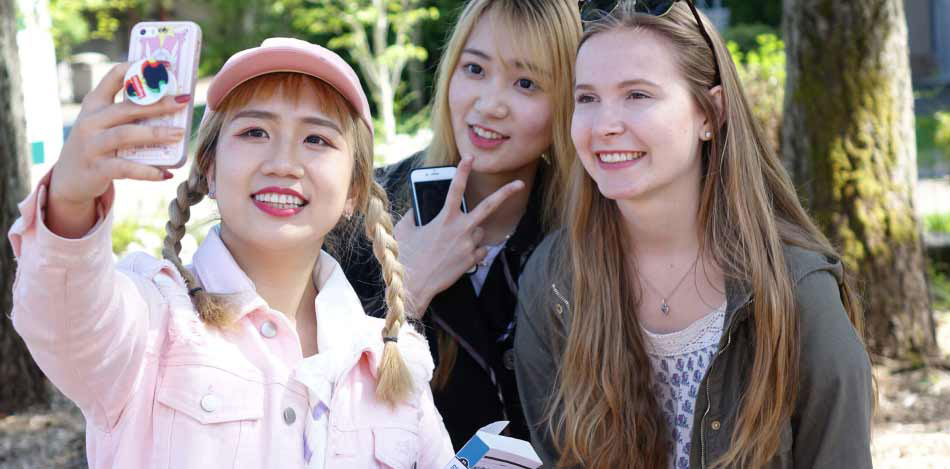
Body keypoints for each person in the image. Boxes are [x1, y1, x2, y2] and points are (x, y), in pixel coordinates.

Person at [9, 38, 454, 469]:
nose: (283, 163)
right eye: (254, 132)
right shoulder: (151, 319)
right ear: (210, 169)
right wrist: (70, 203)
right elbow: (64, 321)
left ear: (354, 190)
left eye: (317, 139)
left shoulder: (397, 362)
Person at [513, 2, 874, 468]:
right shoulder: (554, 282)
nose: (604, 125)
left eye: (637, 94)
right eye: (587, 99)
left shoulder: (797, 291)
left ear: (711, 113)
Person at [344, 0, 582, 449]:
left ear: (568, 101)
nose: (489, 105)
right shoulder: (359, 210)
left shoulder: (591, 230)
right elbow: (317, 404)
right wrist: (407, 288)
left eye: (526, 83)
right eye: (475, 69)